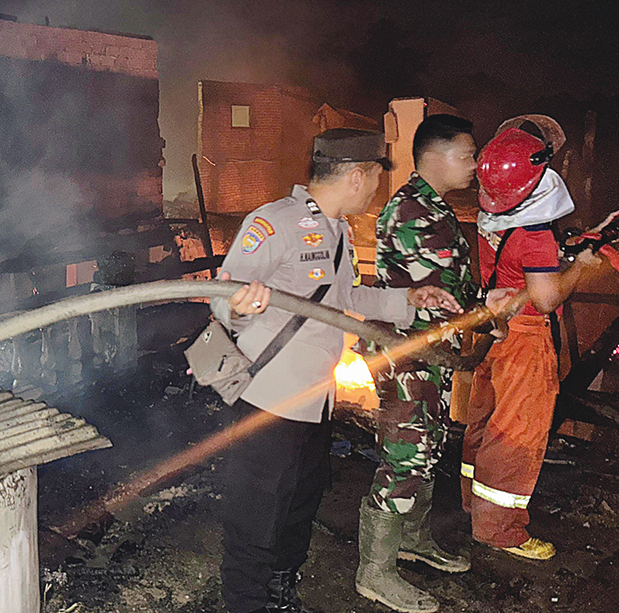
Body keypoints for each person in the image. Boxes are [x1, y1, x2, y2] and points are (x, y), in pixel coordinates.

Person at [213, 128, 463, 613]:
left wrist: (408, 300)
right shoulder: (273, 223)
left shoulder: (338, 229)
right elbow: (226, 299)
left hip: (315, 401)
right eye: (375, 178)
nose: (376, 189)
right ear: (357, 175)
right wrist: (240, 307)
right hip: (269, 402)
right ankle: (244, 604)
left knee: (298, 509)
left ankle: (280, 595)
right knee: (255, 519)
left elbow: (342, 299)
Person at [460, 115, 614, 560]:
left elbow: (520, 265)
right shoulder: (535, 230)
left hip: (492, 328)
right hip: (525, 335)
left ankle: (475, 503)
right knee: (518, 435)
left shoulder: (492, 210)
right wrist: (580, 266)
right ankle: (501, 530)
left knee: (485, 423)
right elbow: (546, 297)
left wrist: (569, 249)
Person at [354, 114, 476, 613]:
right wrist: (490, 314)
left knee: (427, 448)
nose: (476, 164)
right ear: (435, 154)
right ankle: (375, 572)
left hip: (433, 353)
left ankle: (413, 541)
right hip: (408, 353)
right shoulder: (411, 211)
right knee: (406, 455)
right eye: (468, 154)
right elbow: (440, 294)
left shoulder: (435, 208)